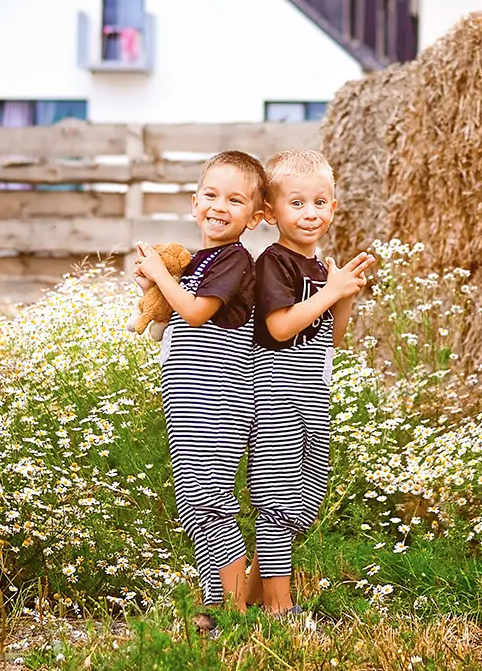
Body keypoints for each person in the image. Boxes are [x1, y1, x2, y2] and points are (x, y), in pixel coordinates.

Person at [133, 150, 266, 626]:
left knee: (207, 499)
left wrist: (164, 276)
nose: (219, 206)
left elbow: (194, 313)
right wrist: (154, 283)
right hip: (189, 387)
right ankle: (222, 598)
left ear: (253, 218)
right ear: (194, 203)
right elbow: (172, 310)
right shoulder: (201, 260)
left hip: (218, 384)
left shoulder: (233, 259)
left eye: (235, 200)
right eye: (211, 195)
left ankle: (226, 606)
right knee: (197, 500)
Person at [243, 149, 375, 614]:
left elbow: (332, 336)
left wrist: (342, 295)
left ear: (334, 207)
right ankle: (282, 611)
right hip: (275, 391)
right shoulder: (273, 262)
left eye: (320, 202)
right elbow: (279, 328)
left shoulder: (320, 268)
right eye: (296, 203)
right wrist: (331, 293)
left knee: (302, 507)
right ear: (270, 212)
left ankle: (242, 601)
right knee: (277, 501)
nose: (310, 213)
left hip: (312, 394)